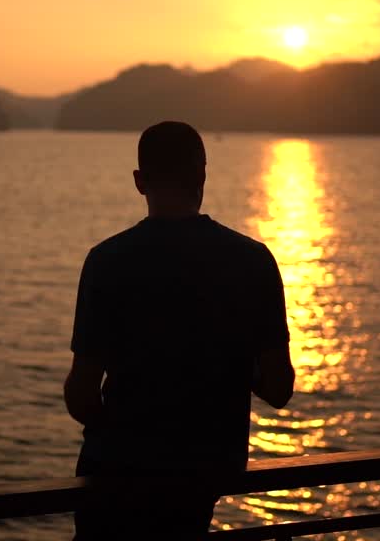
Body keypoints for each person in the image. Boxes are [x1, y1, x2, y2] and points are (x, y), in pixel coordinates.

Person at [65, 121, 295, 540]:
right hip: (202, 478)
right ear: (202, 175)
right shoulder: (253, 261)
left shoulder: (106, 261)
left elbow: (81, 393)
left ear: (139, 181)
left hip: (117, 479)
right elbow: (279, 388)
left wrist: (125, 433)